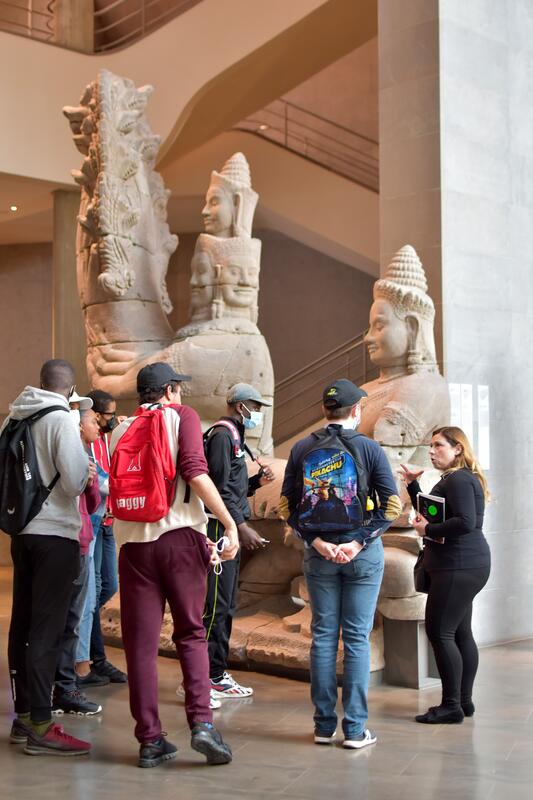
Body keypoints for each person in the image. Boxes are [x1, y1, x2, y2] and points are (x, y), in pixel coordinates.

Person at [110, 363, 238, 767]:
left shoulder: (119, 430)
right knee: (191, 633)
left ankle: (150, 740)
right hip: (180, 538)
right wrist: (229, 522)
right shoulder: (182, 417)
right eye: (178, 389)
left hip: (134, 548)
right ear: (168, 391)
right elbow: (195, 473)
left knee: (141, 647)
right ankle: (202, 723)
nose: (181, 396)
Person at [280, 379, 401, 749]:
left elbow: (288, 507)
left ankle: (322, 726)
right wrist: (357, 541)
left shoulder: (302, 448)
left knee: (322, 636)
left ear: (323, 411)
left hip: (319, 555)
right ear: (355, 412)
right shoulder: (369, 449)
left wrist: (316, 542)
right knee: (356, 639)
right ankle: (354, 730)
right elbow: (391, 506)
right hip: (360, 555)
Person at [3, 359, 93, 756]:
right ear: (70, 391)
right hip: (55, 534)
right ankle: (42, 722)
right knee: (47, 629)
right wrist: (89, 471)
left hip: (22, 534)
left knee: (21, 624)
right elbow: (73, 481)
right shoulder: (61, 420)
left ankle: (23, 716)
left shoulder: (14, 417)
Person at [400, 426, 491, 724]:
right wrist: (414, 488)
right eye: (431, 446)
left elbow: (465, 523)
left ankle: (451, 705)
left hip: (458, 565)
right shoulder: (456, 479)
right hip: (464, 565)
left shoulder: (460, 479)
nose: (431, 451)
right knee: (460, 632)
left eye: (438, 445)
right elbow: (436, 513)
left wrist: (428, 530)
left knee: (440, 632)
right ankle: (463, 702)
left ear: (457, 449)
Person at [201, 383, 274, 700]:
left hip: (228, 527)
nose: (257, 413)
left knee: (227, 603)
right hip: (219, 530)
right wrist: (240, 527)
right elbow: (215, 490)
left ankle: (215, 672)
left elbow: (232, 484)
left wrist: (257, 482)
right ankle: (206, 676)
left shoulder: (234, 436)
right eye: (255, 407)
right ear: (240, 405)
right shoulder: (221, 435)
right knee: (216, 605)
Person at [54, 402, 102, 716]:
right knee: (67, 619)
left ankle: (57, 689)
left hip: (70, 541)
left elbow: (92, 501)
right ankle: (62, 689)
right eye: (94, 420)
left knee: (66, 619)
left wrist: (92, 481)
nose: (99, 426)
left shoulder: (86, 457)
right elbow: (89, 500)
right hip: (70, 542)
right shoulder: (70, 451)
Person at [77, 389, 127, 687]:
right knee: (90, 593)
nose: (106, 422)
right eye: (106, 416)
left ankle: (91, 658)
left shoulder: (109, 435)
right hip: (93, 521)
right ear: (93, 415)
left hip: (107, 521)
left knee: (107, 585)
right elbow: (100, 481)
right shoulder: (86, 439)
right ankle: (90, 661)